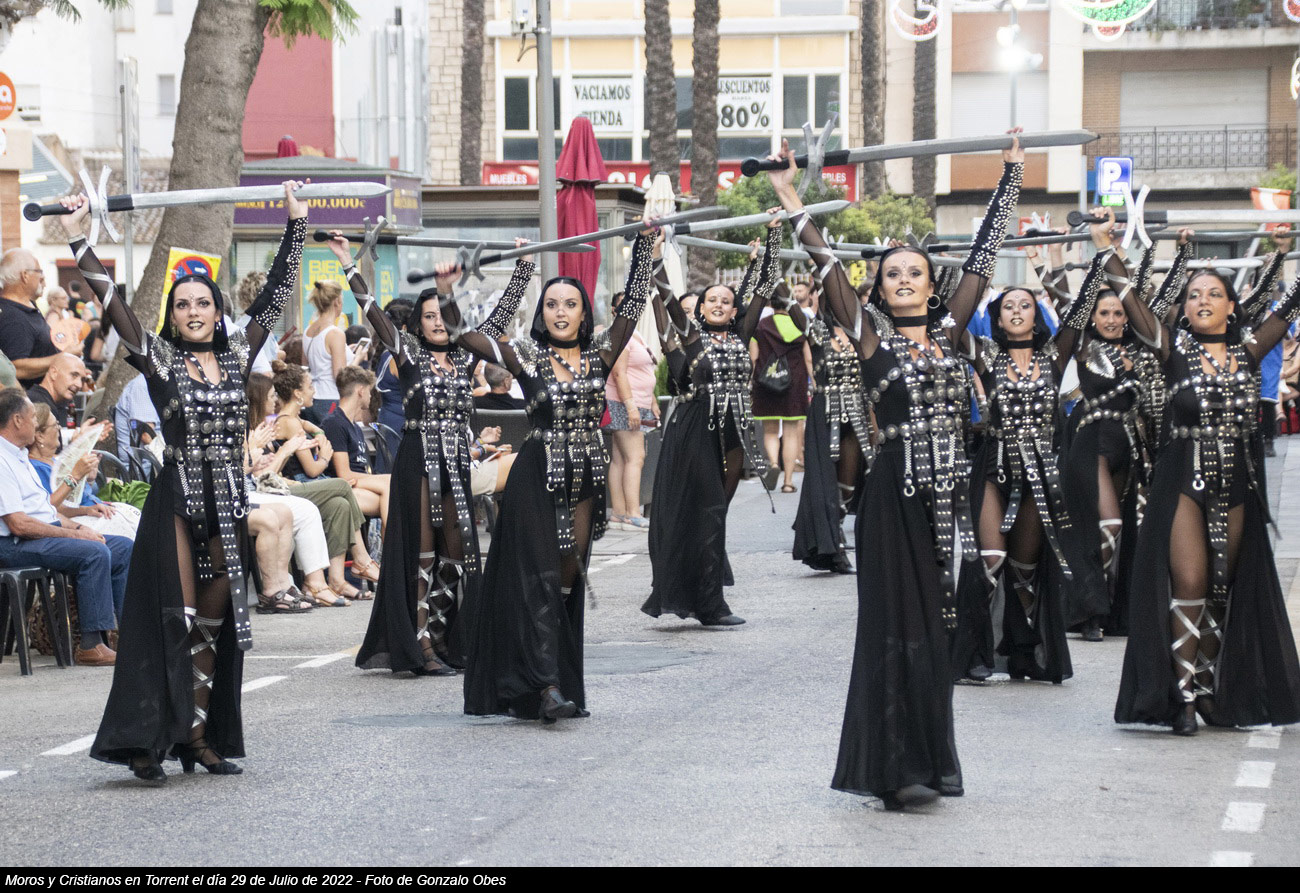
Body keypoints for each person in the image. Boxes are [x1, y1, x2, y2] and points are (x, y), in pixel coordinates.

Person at [771, 132, 1023, 810]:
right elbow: (826, 265)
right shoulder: (869, 339)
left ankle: (931, 757)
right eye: (892, 274)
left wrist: (1011, 175)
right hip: (895, 494)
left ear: (932, 284)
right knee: (895, 625)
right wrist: (789, 194)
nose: (904, 279)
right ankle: (893, 766)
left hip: (950, 495)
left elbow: (984, 257)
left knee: (943, 624)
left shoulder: (952, 333)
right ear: (879, 288)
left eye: (915, 272)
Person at [61, 181, 306, 784]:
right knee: (175, 616)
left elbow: (275, 294)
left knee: (212, 626)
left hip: (227, 499)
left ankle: (196, 737)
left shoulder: (240, 355)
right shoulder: (161, 360)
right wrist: (77, 238)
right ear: (172, 317)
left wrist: (295, 223)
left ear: (218, 311)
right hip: (176, 496)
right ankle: (149, 739)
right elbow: (112, 303)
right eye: (182, 305)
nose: (193, 312)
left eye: (202, 303)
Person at [449, 225, 656, 722]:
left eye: (570, 304)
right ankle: (543, 686)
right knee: (536, 578)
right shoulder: (527, 356)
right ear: (541, 313)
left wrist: (646, 246)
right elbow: (470, 336)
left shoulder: (601, 353)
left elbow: (631, 309)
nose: (560, 312)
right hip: (535, 476)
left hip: (584, 479)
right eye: (551, 304)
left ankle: (555, 678)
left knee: (566, 578)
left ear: (584, 313)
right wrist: (517, 275)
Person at [1112, 214, 1300, 735]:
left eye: (1213, 294)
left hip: (1237, 480)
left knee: (1221, 585)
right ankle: (1183, 696)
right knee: (1191, 580)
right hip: (1183, 480)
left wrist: (1282, 252)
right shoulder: (1172, 350)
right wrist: (1107, 248)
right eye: (1194, 295)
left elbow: (1289, 307)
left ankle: (1208, 686)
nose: (1202, 301)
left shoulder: (1249, 351)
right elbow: (1131, 301)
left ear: (1231, 306)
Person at [347, 236, 534, 677]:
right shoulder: (408, 354)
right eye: (427, 316)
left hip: (456, 462)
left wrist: (524, 266)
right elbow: (372, 311)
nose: (435, 322)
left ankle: (443, 634)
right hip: (418, 461)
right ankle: (421, 644)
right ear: (417, 323)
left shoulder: (466, 355)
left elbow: (500, 315)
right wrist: (348, 265)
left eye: (441, 315)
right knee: (423, 555)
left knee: (457, 553)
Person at [643, 224, 780, 627]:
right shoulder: (691, 339)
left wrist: (772, 239)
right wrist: (655, 258)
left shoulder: (741, 334)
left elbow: (763, 289)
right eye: (712, 300)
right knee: (708, 508)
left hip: (734, 430)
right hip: (696, 429)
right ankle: (710, 605)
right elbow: (669, 302)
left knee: (716, 513)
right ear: (701, 309)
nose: (719, 304)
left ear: (734, 311)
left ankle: (704, 592)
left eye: (726, 301)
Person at [949, 285, 1074, 685]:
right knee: (990, 559)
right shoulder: (986, 355)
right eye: (1008, 306)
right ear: (998, 319)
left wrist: (1101, 253)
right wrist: (976, 272)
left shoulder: (1054, 356)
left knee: (1024, 570)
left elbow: (1081, 310)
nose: (1017, 311)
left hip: (1039, 473)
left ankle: (1024, 652)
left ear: (1037, 316)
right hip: (994, 467)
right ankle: (972, 654)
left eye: (1025, 305)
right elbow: (951, 324)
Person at [0, 389, 132, 666]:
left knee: (122, 547)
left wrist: (78, 526)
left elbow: (46, 510)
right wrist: (74, 533)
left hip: (38, 533)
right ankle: (92, 645)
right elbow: (19, 524)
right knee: (94, 552)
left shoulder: (19, 456)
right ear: (17, 420)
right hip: (14, 544)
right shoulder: (2, 459)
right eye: (32, 417)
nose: (35, 423)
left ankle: (130, 636)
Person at [246, 372, 378, 603]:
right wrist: (321, 456)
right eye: (270, 396)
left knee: (340, 505)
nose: (275, 401)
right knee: (342, 485)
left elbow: (267, 469)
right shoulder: (278, 424)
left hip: (283, 485)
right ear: (297, 394)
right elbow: (310, 470)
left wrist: (309, 430)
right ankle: (361, 559)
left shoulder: (272, 425)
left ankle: (335, 580)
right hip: (278, 488)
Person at [791, 265, 871, 575]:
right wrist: (818, 269)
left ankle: (835, 529)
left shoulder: (865, 332)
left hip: (858, 412)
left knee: (847, 484)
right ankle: (833, 546)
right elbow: (789, 301)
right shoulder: (816, 331)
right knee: (824, 483)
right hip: (825, 413)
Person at [270, 362, 388, 529]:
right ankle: (386, 544)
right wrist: (325, 457)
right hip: (305, 482)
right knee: (367, 492)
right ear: (297, 393)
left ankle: (373, 545)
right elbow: (312, 470)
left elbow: (309, 426)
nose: (314, 391)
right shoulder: (291, 422)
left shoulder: (294, 420)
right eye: (310, 386)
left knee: (385, 490)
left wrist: (318, 433)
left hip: (312, 481)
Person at [28, 404, 140, 540]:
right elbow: (50, 509)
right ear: (40, 436)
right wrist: (76, 478)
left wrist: (90, 479)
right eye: (55, 425)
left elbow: (77, 496)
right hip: (77, 523)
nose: (59, 428)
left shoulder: (53, 460)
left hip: (94, 510)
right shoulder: (36, 467)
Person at [751, 272, 812, 494]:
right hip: (794, 384)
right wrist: (814, 381)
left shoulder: (761, 326)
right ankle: (788, 482)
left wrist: (750, 384)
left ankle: (774, 463)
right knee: (790, 432)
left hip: (766, 383)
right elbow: (808, 358)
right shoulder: (799, 325)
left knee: (769, 430)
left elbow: (753, 357)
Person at [604, 293, 660, 531]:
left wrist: (652, 400)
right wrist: (630, 406)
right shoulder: (620, 335)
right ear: (614, 311)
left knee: (620, 458)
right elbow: (619, 373)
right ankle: (632, 514)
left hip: (635, 402)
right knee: (636, 457)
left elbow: (642, 372)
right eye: (624, 307)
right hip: (625, 403)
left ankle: (619, 513)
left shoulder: (634, 333)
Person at [322, 366, 392, 511]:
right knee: (390, 484)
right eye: (369, 391)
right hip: (345, 486)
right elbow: (343, 474)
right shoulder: (335, 423)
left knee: (393, 485)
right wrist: (378, 480)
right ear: (361, 391)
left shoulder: (355, 427)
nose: (371, 396)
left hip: (359, 483)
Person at [0, 249, 65, 388]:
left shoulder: (26, 306)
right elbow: (16, 367)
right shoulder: (12, 316)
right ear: (25, 275)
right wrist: (63, 357)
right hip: (29, 397)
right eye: (39, 272)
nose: (42, 279)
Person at [302, 279, 351, 419]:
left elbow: (305, 366)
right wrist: (358, 358)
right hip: (331, 398)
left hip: (312, 397)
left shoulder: (307, 331)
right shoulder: (335, 333)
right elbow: (340, 376)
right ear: (337, 301)